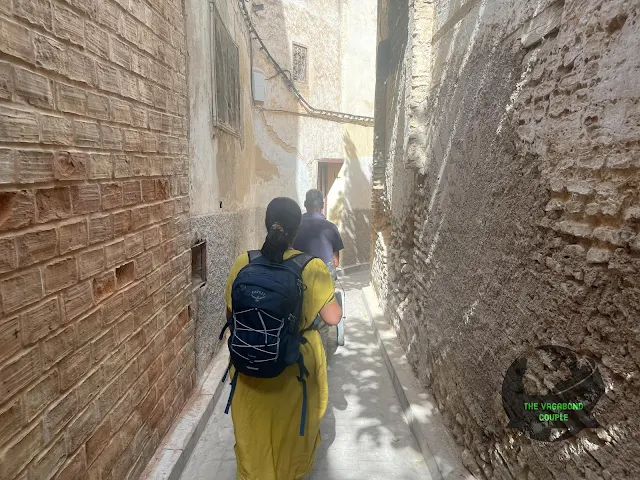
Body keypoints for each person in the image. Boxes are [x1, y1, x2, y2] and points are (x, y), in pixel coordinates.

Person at [224, 197, 342, 480]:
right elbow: (333, 318)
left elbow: (231, 315)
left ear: (267, 224)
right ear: (296, 229)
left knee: (255, 433)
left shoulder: (244, 261)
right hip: (294, 368)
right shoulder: (312, 267)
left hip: (250, 363)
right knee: (290, 436)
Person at [293, 189, 345, 278]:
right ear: (322, 205)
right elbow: (335, 262)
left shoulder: (294, 227)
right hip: (324, 280)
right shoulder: (331, 227)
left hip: (300, 278)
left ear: (305, 204)